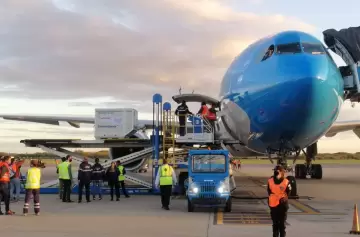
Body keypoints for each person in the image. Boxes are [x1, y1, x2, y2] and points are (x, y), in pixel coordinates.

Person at [267, 165, 291, 237]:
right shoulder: (270, 181)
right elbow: (269, 191)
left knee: (282, 224)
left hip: (282, 204)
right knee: (275, 224)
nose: (277, 172)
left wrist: (283, 198)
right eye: (276, 171)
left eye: (278, 171)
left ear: (282, 172)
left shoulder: (286, 181)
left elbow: (288, 192)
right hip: (273, 204)